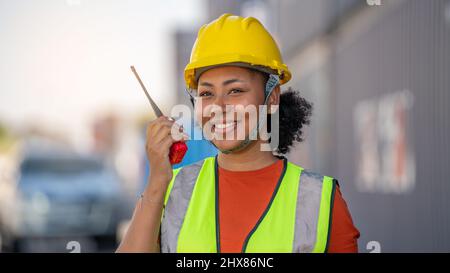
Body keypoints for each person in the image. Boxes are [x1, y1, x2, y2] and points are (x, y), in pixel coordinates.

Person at [117, 13, 359, 253]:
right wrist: (156, 183)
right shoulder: (170, 191)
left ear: (272, 98)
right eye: (206, 93)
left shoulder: (321, 200)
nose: (218, 107)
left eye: (235, 91)